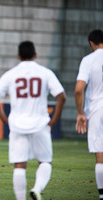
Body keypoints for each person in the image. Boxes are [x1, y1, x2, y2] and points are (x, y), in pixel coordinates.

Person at [0, 41, 66, 200]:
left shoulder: (11, 74)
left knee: (19, 165)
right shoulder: (45, 72)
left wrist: (5, 119)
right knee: (45, 162)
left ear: (18, 56)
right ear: (35, 54)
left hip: (17, 125)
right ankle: (37, 189)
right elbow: (61, 97)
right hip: (40, 124)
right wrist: (54, 120)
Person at [75, 29, 103, 200]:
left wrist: (80, 113)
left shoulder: (89, 60)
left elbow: (79, 89)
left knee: (100, 154)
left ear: (91, 43)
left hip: (97, 109)